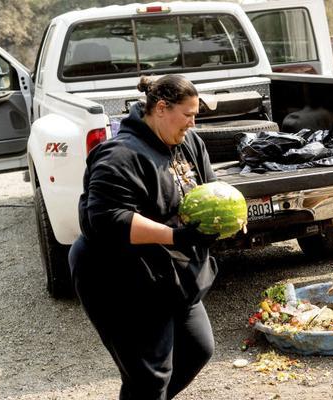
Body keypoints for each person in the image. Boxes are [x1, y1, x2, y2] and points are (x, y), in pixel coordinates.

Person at [69, 74, 229, 399]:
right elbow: (106, 219)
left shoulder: (189, 144)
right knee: (150, 375)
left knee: (198, 349)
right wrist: (178, 237)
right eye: (188, 115)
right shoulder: (119, 155)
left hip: (170, 273)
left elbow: (211, 189)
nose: (193, 123)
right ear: (160, 108)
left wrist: (227, 217)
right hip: (118, 277)